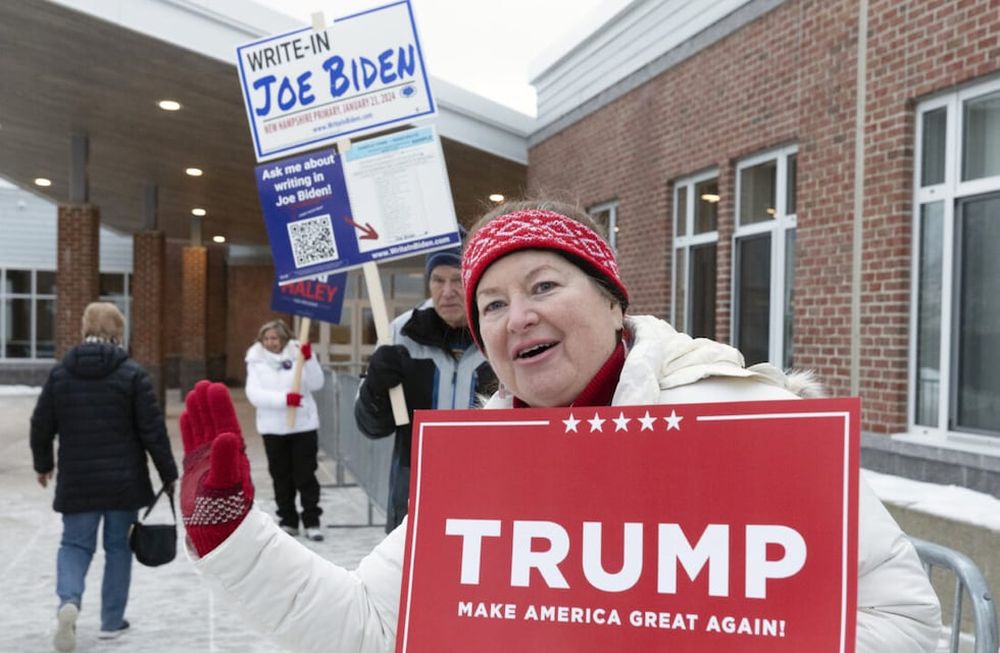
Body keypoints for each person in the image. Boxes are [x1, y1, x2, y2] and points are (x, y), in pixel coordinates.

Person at [180, 202, 941, 653]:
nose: (520, 316)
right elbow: (374, 624)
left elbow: (906, 623)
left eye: (544, 284)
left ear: (614, 300)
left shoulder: (747, 420)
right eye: (493, 304)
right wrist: (235, 539)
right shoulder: (485, 470)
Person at [30, 302, 178, 652]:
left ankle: (69, 601)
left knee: (75, 545)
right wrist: (168, 474)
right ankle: (112, 621)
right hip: (123, 483)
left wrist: (43, 463)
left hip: (78, 480)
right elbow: (152, 431)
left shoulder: (61, 374)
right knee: (118, 548)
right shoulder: (132, 375)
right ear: (118, 333)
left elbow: (41, 424)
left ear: (84, 328)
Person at [354, 243, 496, 532]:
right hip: (414, 487)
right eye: (437, 280)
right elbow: (371, 426)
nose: (446, 292)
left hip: (487, 484)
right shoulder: (401, 332)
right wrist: (375, 387)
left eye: (458, 280)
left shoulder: (498, 328)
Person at [245, 319, 326, 541]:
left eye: (275, 338)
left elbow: (317, 383)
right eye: (267, 339)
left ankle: (312, 520)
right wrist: (284, 400)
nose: (271, 343)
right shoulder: (255, 360)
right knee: (281, 476)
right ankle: (288, 519)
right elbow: (254, 394)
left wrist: (309, 360)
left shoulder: (299, 353)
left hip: (303, 426)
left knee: (305, 474)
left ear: (284, 338)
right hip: (273, 428)